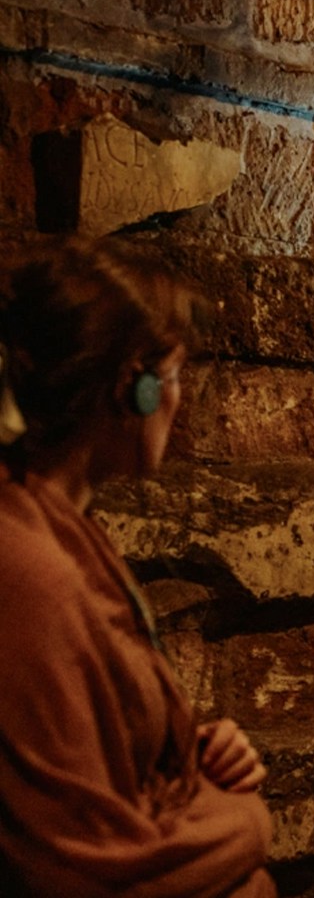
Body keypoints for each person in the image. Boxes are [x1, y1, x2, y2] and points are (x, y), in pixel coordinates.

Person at [0, 236, 274, 895]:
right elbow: (79, 862)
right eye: (175, 375)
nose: (180, 401)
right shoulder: (31, 572)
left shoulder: (67, 531)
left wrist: (190, 750)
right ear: (136, 389)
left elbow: (97, 743)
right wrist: (244, 823)